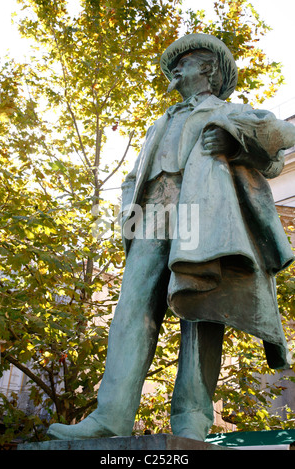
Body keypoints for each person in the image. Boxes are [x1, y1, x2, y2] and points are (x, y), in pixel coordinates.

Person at [48, 33, 295, 441]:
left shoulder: (230, 111)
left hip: (205, 214)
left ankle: (192, 420)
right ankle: (111, 415)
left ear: (211, 70)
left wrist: (235, 142)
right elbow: (134, 178)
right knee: (131, 308)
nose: (176, 67)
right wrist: (129, 223)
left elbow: (280, 139)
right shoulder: (160, 121)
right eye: (174, 62)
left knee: (201, 308)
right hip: (152, 216)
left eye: (188, 60)